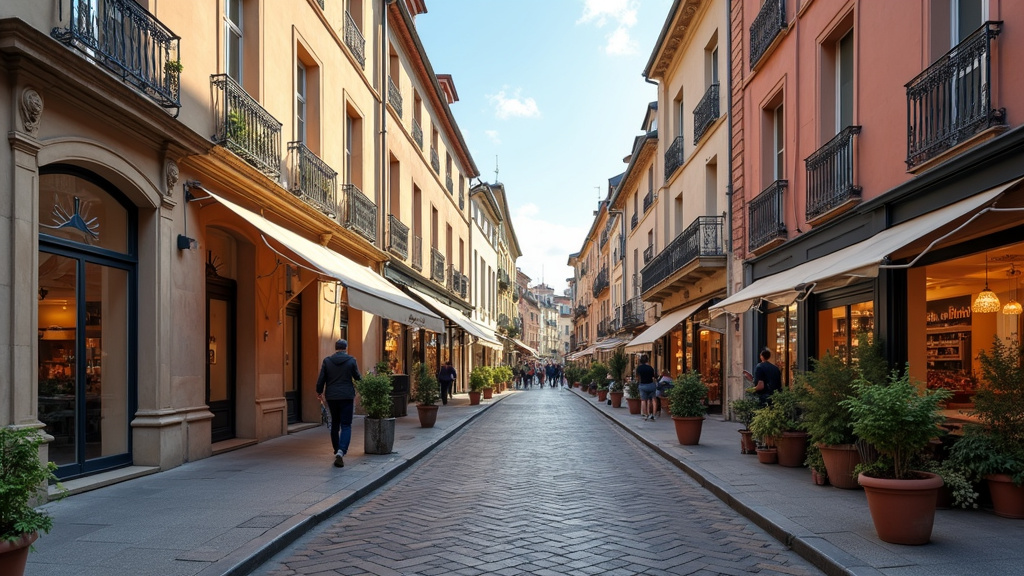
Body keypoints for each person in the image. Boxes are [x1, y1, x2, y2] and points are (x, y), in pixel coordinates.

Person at [316, 339, 362, 468]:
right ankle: (341, 452)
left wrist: (319, 392)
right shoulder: (351, 361)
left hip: (332, 396)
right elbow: (357, 377)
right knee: (346, 424)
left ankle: (337, 450)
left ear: (336, 348)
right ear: (346, 348)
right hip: (347, 396)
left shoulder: (327, 361)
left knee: (335, 423)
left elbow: (321, 379)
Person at [636, 354, 657, 421]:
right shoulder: (650, 368)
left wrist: (639, 383)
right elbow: (653, 377)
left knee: (643, 400)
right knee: (653, 400)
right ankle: (653, 415)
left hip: (643, 385)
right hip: (651, 385)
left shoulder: (639, 368)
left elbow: (638, 377)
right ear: (647, 360)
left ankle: (646, 415)